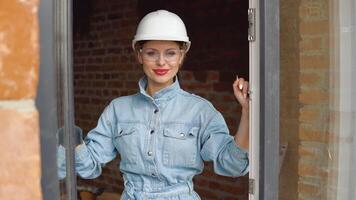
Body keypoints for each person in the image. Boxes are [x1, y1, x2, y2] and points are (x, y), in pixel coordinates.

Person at [58, 9, 249, 200]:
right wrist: (71, 140)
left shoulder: (200, 111)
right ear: (139, 55)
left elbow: (233, 164)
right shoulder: (118, 109)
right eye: (151, 53)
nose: (161, 62)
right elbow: (89, 166)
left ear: (181, 56)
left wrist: (247, 111)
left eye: (171, 53)